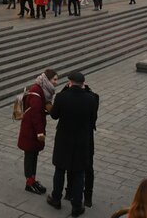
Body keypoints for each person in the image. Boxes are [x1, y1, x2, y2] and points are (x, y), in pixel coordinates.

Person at [46, 71, 97, 217]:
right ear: (82, 83)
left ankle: (56, 198)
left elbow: (54, 115)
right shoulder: (91, 99)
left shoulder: (62, 97)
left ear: (69, 82)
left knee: (60, 170)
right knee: (79, 173)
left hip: (63, 140)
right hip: (81, 142)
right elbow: (93, 119)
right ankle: (77, 205)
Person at [17, 69, 59, 195]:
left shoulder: (41, 90)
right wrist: (40, 133)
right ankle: (29, 183)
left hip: (31, 129)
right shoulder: (36, 92)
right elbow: (36, 115)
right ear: (47, 80)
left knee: (33, 155)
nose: (56, 82)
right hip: (31, 131)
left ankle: (32, 180)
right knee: (30, 156)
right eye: (54, 79)